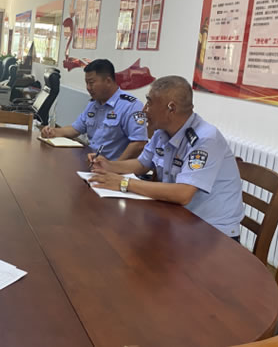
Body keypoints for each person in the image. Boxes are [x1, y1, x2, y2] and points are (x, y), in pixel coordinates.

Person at [88, 75, 244, 238]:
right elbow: (142, 164)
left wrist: (124, 183)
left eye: (149, 103)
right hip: (179, 218)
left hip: (212, 232)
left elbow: (183, 193)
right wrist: (109, 165)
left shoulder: (205, 139)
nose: (144, 110)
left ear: (171, 108)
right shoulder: (162, 131)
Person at [41, 59, 147, 160]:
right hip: (91, 161)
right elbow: (75, 129)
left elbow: (139, 143)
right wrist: (53, 132)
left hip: (112, 166)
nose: (88, 87)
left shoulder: (130, 106)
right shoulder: (94, 104)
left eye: (91, 83)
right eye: (86, 83)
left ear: (108, 81)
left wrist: (114, 167)